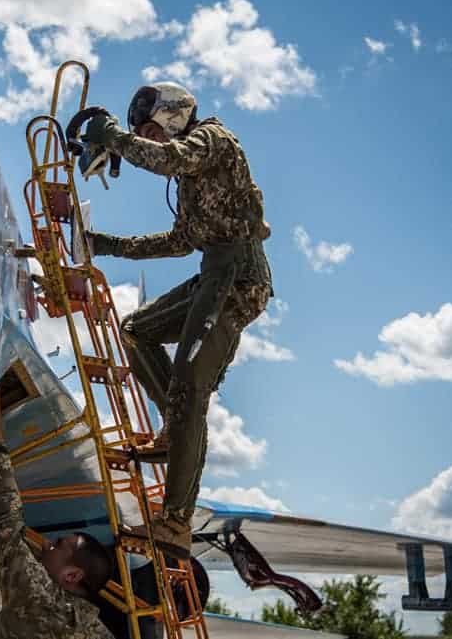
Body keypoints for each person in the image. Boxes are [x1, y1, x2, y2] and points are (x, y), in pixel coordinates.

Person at [82, 82, 273, 561]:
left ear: (172, 115)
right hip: (213, 275)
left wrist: (113, 138)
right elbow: (181, 240)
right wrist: (106, 244)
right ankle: (175, 428)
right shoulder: (190, 173)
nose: (155, 141)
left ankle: (175, 522)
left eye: (152, 131)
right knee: (135, 330)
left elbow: (170, 160)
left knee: (190, 390)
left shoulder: (214, 141)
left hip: (237, 281)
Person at [0, 388, 116, 639]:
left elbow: (7, 528)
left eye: (57, 546)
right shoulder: (96, 632)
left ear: (72, 575)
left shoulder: (41, 601)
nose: (46, 544)